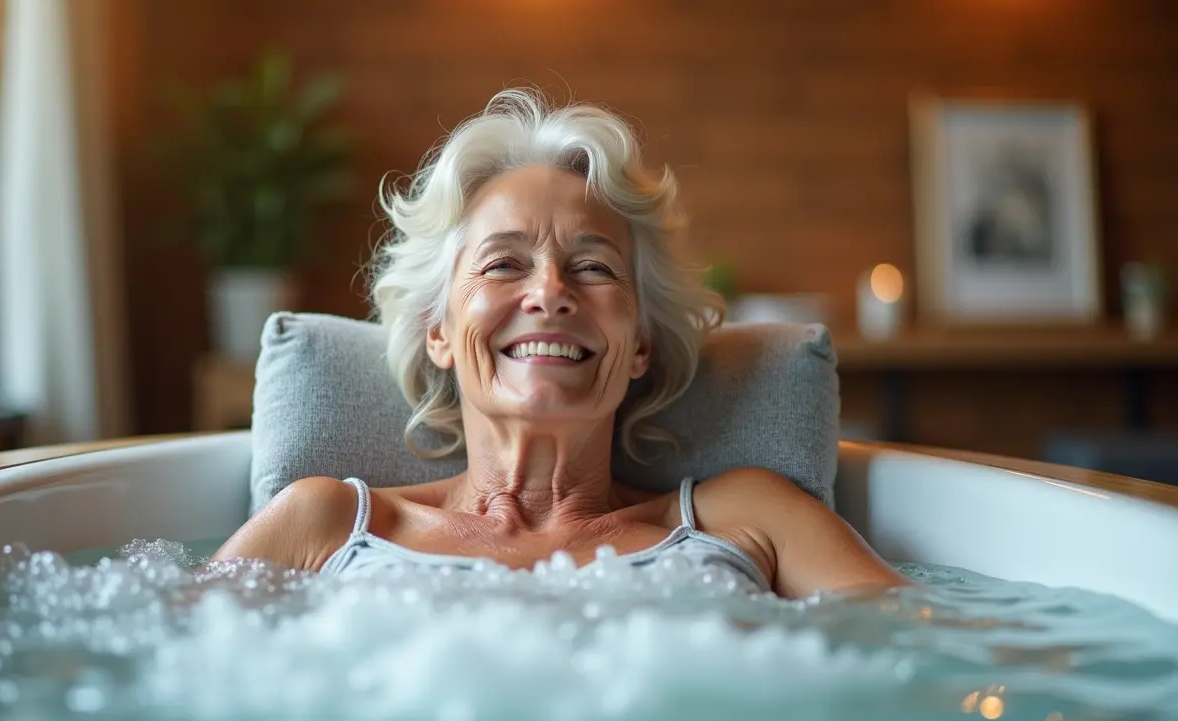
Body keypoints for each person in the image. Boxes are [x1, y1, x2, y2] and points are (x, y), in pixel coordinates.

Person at [214, 88, 906, 598]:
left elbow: (937, 664)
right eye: (504, 263)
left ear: (640, 342)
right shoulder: (326, 521)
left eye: (594, 266)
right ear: (438, 330)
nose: (549, 291)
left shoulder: (751, 518)